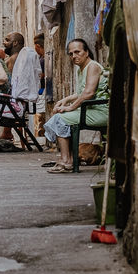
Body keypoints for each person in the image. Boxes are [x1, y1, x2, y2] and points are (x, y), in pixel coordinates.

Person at [42, 38, 108, 173]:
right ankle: (68, 158)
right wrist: (65, 100)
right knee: (60, 116)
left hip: (101, 111)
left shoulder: (93, 66)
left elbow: (89, 93)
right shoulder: (81, 69)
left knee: (60, 119)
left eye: (77, 52)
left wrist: (71, 107)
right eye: (71, 54)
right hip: (89, 110)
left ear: (86, 52)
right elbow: (80, 93)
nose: (74, 56)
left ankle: (67, 160)